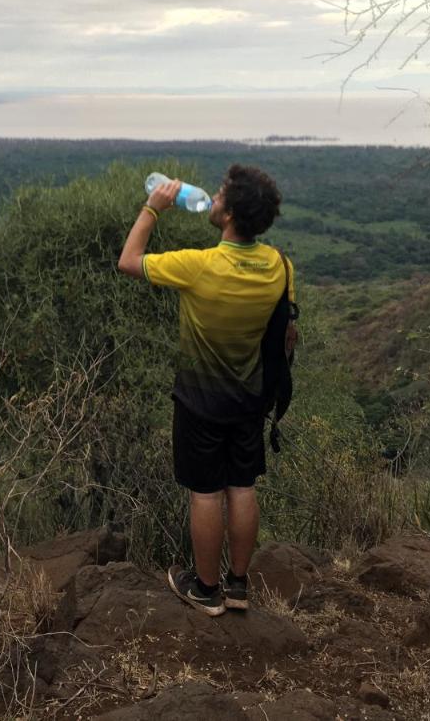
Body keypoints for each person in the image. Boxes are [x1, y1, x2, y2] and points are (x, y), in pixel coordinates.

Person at [117, 165, 296, 615]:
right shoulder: (280, 266)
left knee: (205, 492)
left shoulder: (199, 266)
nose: (212, 198)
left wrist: (152, 207)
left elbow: (129, 260)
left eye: (219, 194)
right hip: (251, 398)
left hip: (200, 400)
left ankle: (205, 589)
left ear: (230, 213)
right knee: (241, 485)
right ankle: (237, 585)